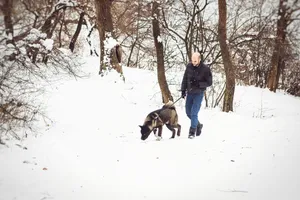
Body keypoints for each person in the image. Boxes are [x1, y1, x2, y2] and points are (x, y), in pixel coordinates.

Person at [180, 52, 212, 139]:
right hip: (190, 93)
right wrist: (183, 90)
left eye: (195, 61)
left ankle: (192, 131)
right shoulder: (189, 66)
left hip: (199, 93)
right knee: (188, 113)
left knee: (194, 113)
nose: (193, 63)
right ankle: (198, 125)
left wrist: (199, 84)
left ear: (199, 59)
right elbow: (185, 79)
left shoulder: (205, 69)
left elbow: (209, 82)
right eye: (192, 61)